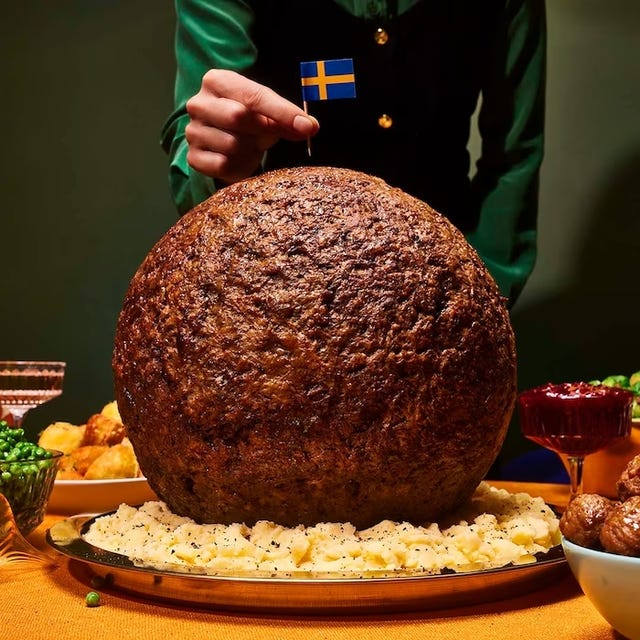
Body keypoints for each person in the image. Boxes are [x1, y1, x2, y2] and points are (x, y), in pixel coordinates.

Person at [161, 0, 546, 305]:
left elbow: (514, 155)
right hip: (283, 285)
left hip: (443, 287)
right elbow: (200, 135)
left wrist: (482, 297)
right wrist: (220, 163)